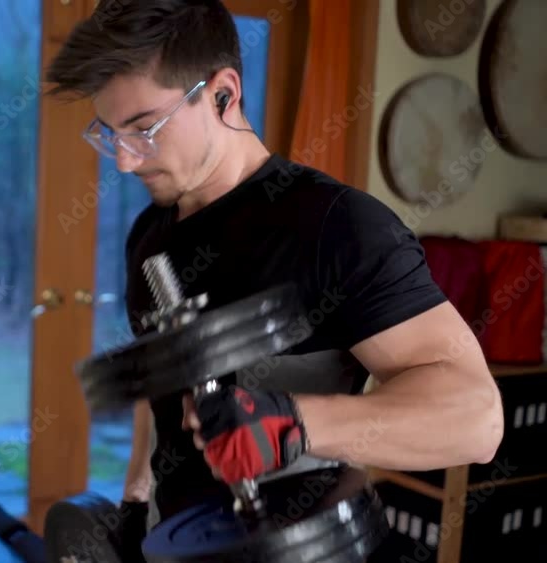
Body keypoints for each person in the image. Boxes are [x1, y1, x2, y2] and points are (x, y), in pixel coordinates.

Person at [45, 0, 504, 560]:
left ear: (224, 93)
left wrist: (294, 422)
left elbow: (477, 419)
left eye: (145, 128)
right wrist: (136, 505)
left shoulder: (337, 226)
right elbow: (166, 384)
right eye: (109, 133)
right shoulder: (150, 234)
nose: (123, 161)